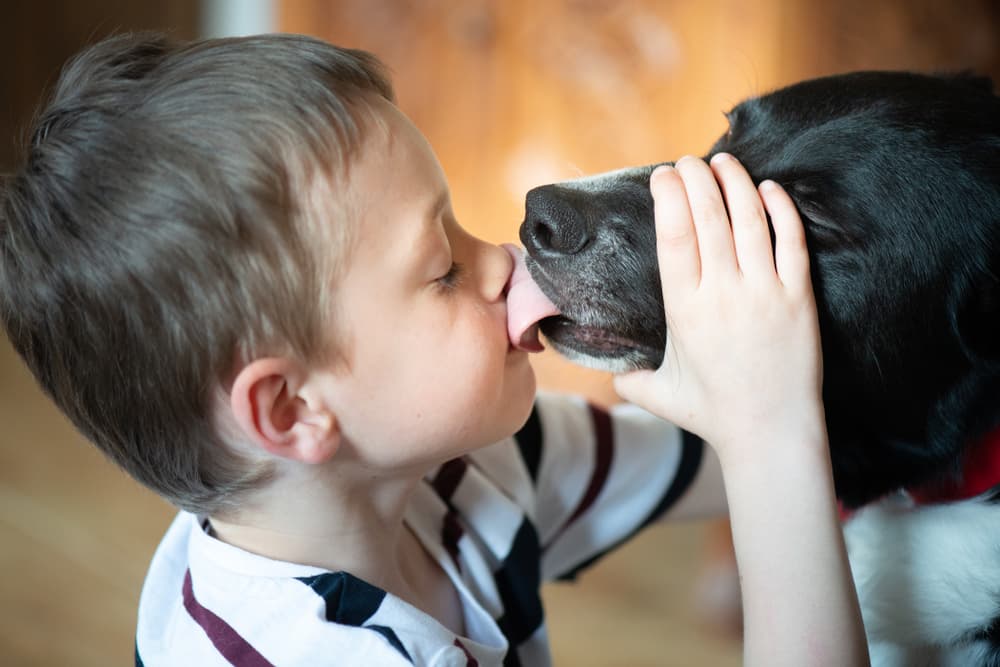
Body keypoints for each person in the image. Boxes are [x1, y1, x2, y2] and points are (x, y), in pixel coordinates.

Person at [0, 32, 867, 666]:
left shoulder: (468, 469)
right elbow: (771, 461)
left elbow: (773, 459)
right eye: (443, 266)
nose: (502, 255)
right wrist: (769, 433)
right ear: (293, 410)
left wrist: (758, 398)